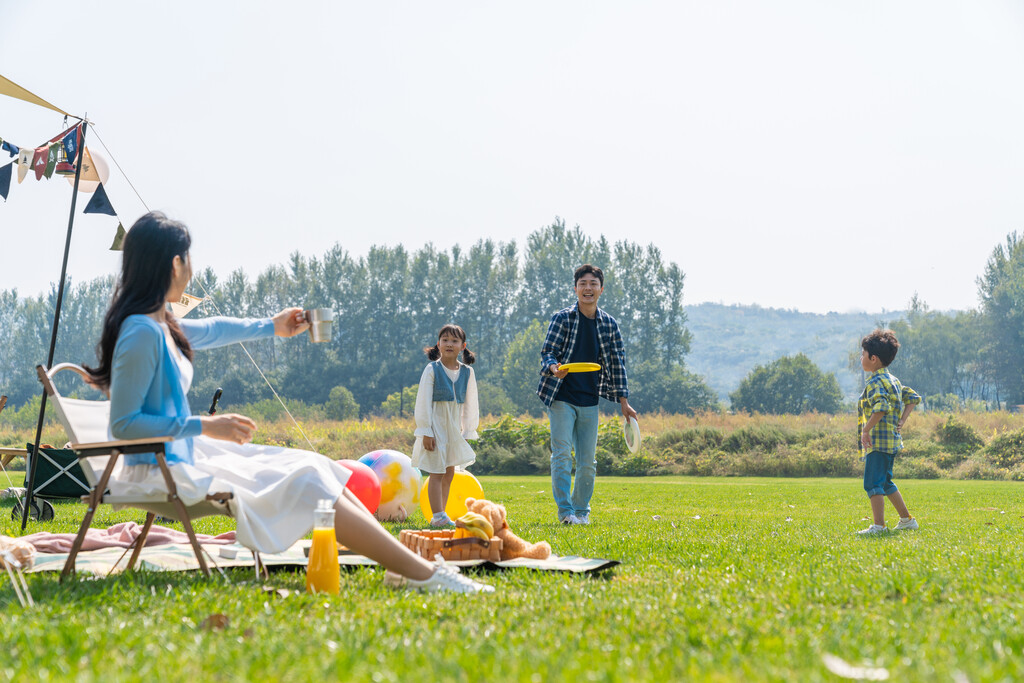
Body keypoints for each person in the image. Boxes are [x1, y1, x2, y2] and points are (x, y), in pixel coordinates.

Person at [84, 211, 493, 594]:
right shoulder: (140, 332)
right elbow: (124, 425)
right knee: (308, 482)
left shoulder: (161, 325)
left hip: (181, 457)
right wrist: (206, 426)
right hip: (159, 471)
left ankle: (399, 565)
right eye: (188, 259)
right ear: (175, 264)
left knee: (316, 465)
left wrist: (272, 326)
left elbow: (213, 328)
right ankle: (421, 573)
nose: (192, 269)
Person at [537, 264, 637, 525]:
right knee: (561, 455)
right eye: (583, 283)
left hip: (590, 399)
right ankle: (566, 512)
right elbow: (548, 351)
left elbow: (617, 363)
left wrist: (624, 402)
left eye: (593, 283)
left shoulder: (609, 324)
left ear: (601, 289)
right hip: (561, 395)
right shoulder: (563, 318)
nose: (588, 288)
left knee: (587, 462)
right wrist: (553, 367)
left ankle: (582, 511)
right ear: (576, 288)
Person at [410, 324, 479, 527]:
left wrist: (467, 431)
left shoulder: (467, 372)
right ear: (438, 344)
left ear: (463, 346)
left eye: (454, 341)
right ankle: (438, 515)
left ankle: (442, 513)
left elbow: (470, 404)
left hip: (453, 429)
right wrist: (425, 431)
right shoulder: (432, 369)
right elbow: (422, 401)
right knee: (437, 472)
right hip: (435, 426)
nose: (449, 344)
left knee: (449, 472)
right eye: (445, 339)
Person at [857, 329, 922, 535]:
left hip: (878, 442)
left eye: (863, 354)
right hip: (892, 442)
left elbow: (881, 407)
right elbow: (912, 397)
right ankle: (906, 520)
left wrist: (866, 430)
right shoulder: (893, 380)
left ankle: (879, 526)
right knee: (885, 482)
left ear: (873, 358)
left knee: (872, 484)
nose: (861, 358)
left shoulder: (876, 382)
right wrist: (902, 420)